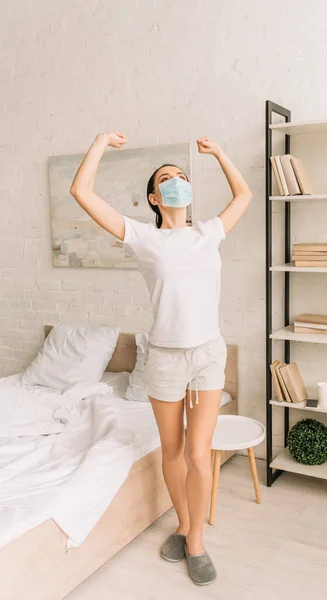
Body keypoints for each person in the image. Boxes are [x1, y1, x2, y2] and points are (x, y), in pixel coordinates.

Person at [70, 132, 252, 586]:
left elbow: (244, 193)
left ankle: (195, 542)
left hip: (208, 356)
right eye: (167, 179)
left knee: (197, 453)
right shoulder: (144, 238)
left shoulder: (209, 231)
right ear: (155, 197)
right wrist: (98, 144)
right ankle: (185, 526)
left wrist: (221, 153)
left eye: (182, 177)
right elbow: (81, 193)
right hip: (165, 360)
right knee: (172, 452)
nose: (177, 183)